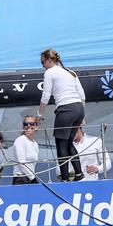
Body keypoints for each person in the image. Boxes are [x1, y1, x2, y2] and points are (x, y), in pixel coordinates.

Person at [38, 48, 86, 182]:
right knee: (69, 142)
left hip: (66, 109)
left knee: (60, 145)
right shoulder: (70, 72)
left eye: (42, 63)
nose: (42, 66)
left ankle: (65, 179)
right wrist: (83, 116)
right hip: (78, 109)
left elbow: (46, 96)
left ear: (48, 60)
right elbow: (82, 95)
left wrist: (39, 114)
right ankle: (79, 174)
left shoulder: (50, 73)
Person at [12, 115, 40, 185]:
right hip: (20, 180)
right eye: (25, 124)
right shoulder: (20, 140)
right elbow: (22, 162)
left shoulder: (35, 144)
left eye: (31, 124)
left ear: (36, 127)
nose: (28, 125)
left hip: (30, 179)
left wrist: (32, 178)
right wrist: (33, 179)